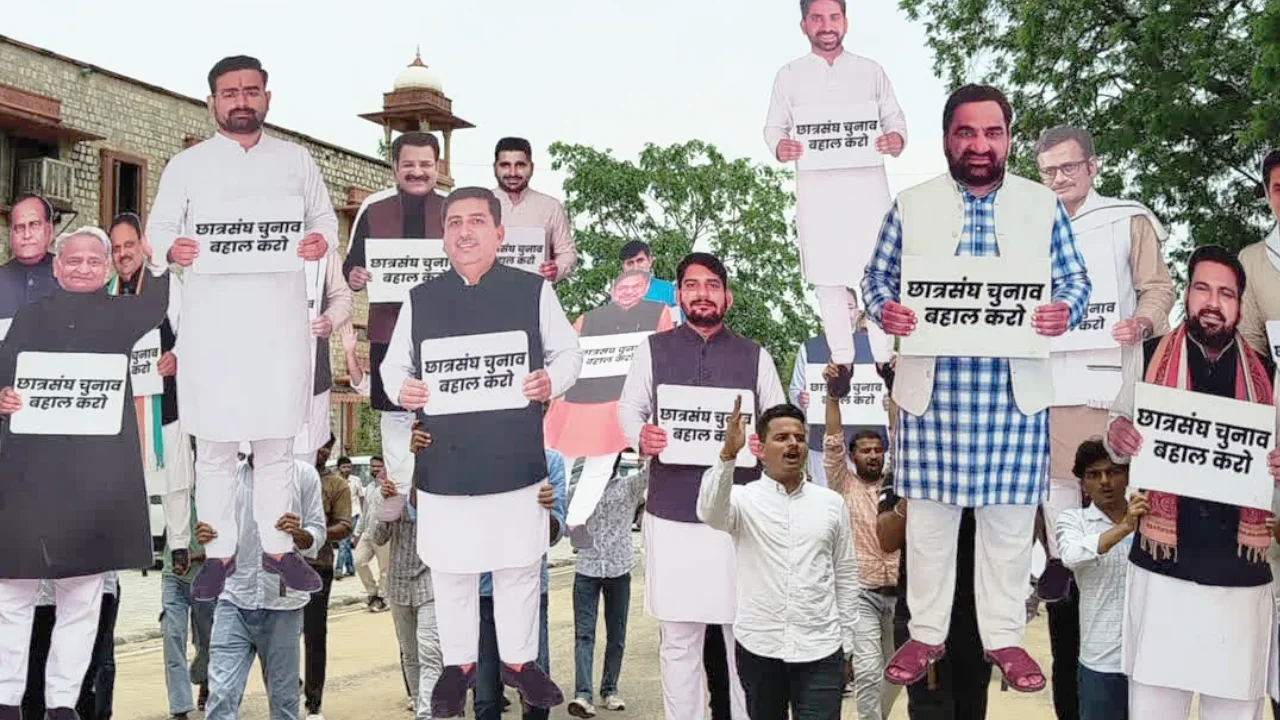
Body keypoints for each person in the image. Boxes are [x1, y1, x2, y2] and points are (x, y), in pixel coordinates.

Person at [861, 84, 1092, 693]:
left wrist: (1062, 311)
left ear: (1009, 139)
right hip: (935, 392)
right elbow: (876, 277)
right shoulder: (911, 205)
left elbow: (1075, 282)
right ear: (946, 139)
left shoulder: (1042, 206)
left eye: (993, 132)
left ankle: (1005, 638)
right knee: (931, 522)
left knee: (1011, 525)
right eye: (967, 132)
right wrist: (886, 310)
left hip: (1012, 393)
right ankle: (926, 632)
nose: (980, 144)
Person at [381, 186, 582, 717]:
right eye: (453, 223)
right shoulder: (420, 299)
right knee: (451, 571)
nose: (464, 231)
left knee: (518, 565)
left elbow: (569, 353)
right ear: (443, 236)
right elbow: (392, 367)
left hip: (514, 458)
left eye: (476, 221)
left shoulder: (532, 291)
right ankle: (458, 667)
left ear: (499, 233)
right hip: (445, 462)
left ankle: (522, 663)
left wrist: (549, 380)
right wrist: (406, 389)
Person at [146, 54, 335, 601]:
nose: (241, 101)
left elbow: (323, 220)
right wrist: (170, 248)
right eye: (230, 93)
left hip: (278, 328)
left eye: (251, 91)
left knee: (277, 448)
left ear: (267, 99)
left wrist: (319, 240)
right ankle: (220, 554)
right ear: (212, 103)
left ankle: (279, 551)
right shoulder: (188, 166)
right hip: (213, 332)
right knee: (216, 452)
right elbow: (157, 233)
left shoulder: (297, 161)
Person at [1033, 125, 1176, 720]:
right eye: (1048, 171)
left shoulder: (1127, 219)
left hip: (1113, 409)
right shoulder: (1027, 227)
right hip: (1043, 409)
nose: (1060, 179)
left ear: (1093, 166)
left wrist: (1141, 323)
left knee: (1125, 566)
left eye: (1069, 168)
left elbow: (1159, 289)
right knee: (1067, 572)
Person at [0, 226, 170, 719]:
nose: (81, 268)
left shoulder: (122, 316)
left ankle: (61, 704)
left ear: (108, 269)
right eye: (72, 260)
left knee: (83, 594)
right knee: (12, 591)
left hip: (94, 481)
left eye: (93, 261)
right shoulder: (30, 318)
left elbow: (156, 304)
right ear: (56, 267)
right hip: (30, 475)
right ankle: (7, 700)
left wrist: (155, 256)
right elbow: (3, 374)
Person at [1106, 245, 1280, 718]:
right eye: (1202, 288)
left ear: (1240, 306)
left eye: (1226, 293)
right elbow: (1118, 434)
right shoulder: (1147, 356)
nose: (1212, 301)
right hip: (1163, 573)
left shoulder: (1267, 373)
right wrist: (1118, 435)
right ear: (1186, 293)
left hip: (1240, 581)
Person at [617, 251, 788, 720]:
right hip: (671, 513)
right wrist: (641, 436)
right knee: (679, 639)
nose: (702, 294)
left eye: (712, 285)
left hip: (739, 517)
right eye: (692, 285)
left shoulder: (756, 355)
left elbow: (779, 420)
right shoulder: (653, 350)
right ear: (678, 295)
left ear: (727, 296)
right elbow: (629, 411)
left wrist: (765, 439)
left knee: (745, 638)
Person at [763, 0, 906, 393]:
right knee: (827, 277)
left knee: (875, 272)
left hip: (866, 190)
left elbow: (895, 119)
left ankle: (884, 357)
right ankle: (841, 359)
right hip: (818, 193)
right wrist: (781, 147)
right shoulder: (789, 76)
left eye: (834, 17)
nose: (826, 26)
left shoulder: (870, 71)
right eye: (817, 18)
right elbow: (774, 127)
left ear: (845, 21)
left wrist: (895, 139)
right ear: (804, 25)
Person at [698, 398, 859, 720]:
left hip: (821, 648)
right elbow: (710, 512)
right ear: (761, 448)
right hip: (760, 646)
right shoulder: (742, 500)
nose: (793, 444)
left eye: (799, 437)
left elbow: (845, 573)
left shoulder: (830, 503)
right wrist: (728, 454)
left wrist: (848, 644)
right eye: (782, 437)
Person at [344, 131, 445, 522]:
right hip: (388, 331)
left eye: (425, 164)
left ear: (438, 167)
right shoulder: (373, 209)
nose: (417, 172)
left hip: (441, 336)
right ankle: (403, 497)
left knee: (443, 414)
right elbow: (351, 264)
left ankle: (439, 497)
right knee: (395, 415)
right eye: (409, 164)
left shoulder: (455, 209)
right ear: (395, 167)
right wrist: (354, 277)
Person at [200, 452, 327, 720]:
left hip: (283, 604)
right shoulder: (228, 477)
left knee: (283, 702)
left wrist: (299, 533)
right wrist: (207, 535)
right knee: (221, 694)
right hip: (233, 597)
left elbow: (317, 533)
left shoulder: (303, 475)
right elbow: (214, 532)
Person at [107, 212, 196, 575]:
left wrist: (178, 356)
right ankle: (130, 544)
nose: (123, 253)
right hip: (125, 405)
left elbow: (193, 329)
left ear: (143, 245)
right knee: (125, 481)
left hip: (166, 398)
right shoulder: (105, 292)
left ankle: (178, 545)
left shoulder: (167, 284)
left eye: (129, 244)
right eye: (116, 248)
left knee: (174, 478)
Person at [819, 362, 899, 719]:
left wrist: (896, 386)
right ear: (853, 457)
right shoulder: (843, 485)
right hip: (862, 593)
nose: (873, 454)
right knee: (868, 669)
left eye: (877, 449)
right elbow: (832, 441)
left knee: (897, 672)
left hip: (902, 593)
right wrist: (834, 395)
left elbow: (902, 434)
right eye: (864, 450)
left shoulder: (898, 484)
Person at [474, 448, 568, 720]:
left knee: (535, 694)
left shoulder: (550, 461)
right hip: (482, 591)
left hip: (528, 593)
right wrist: (424, 459)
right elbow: (419, 510)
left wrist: (545, 511)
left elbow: (555, 532)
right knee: (486, 697)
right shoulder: (471, 456)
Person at [543, 269, 674, 460]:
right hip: (580, 406)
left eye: (636, 287)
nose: (628, 292)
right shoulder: (587, 319)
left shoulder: (659, 312)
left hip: (628, 407)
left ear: (646, 289)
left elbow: (664, 356)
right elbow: (567, 356)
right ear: (612, 292)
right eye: (623, 288)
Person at [1054, 439, 1140, 720]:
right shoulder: (1073, 520)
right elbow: (1072, 555)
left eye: (1114, 472)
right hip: (1101, 659)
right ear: (1082, 483)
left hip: (1149, 659)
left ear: (1128, 475)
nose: (1105, 481)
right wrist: (1126, 527)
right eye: (1093, 475)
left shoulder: (1152, 520)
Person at [567, 454, 647, 718]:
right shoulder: (577, 491)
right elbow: (567, 525)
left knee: (617, 635)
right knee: (584, 635)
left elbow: (651, 475)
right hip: (587, 569)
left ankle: (610, 689)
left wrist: (647, 451)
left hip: (619, 569)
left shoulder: (629, 486)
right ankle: (583, 695)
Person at [372, 429, 443, 720]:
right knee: (410, 654)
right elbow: (377, 536)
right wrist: (388, 503)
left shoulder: (440, 484)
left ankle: (426, 713)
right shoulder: (389, 485)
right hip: (399, 582)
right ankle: (419, 703)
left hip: (430, 580)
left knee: (430, 652)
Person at [788, 289, 892, 489]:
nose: (844, 313)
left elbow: (896, 391)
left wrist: (890, 400)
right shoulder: (809, 347)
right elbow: (795, 391)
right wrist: (801, 400)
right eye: (837, 308)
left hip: (869, 447)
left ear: (857, 312)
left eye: (849, 307)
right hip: (823, 447)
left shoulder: (878, 348)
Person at [302, 435, 353, 720]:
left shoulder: (336, 484)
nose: (321, 451)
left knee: (314, 636)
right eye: (317, 444)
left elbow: (345, 525)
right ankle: (287, 687)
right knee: (275, 635)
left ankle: (313, 702)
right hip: (280, 566)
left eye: (326, 446)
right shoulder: (286, 474)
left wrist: (313, 532)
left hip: (318, 566)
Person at [293, 227, 353, 466]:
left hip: (311, 378)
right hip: (255, 379)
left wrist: (330, 319)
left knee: (302, 467)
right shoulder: (244, 235)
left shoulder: (323, 247)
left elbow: (344, 298)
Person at [160, 478, 214, 720]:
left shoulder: (216, 491)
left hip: (205, 577)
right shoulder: (171, 487)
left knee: (207, 640)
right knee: (172, 636)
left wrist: (197, 556)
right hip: (173, 574)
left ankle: (205, 679)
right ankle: (180, 707)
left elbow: (227, 538)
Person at [492, 137, 577, 283]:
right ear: (495, 168)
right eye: (505, 165)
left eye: (520, 165)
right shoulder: (477, 205)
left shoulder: (550, 206)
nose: (513, 172)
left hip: (535, 296)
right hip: (485, 296)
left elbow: (567, 253)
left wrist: (557, 268)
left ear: (531, 168)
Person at [0, 194, 59, 332]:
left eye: (34, 225)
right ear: (11, 234)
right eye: (19, 227)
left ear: (49, 230)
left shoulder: (72, 277)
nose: (27, 235)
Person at [620, 241, 679, 316]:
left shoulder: (669, 291)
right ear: (624, 267)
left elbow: (678, 323)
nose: (636, 267)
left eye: (640, 261)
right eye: (630, 263)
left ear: (650, 261)